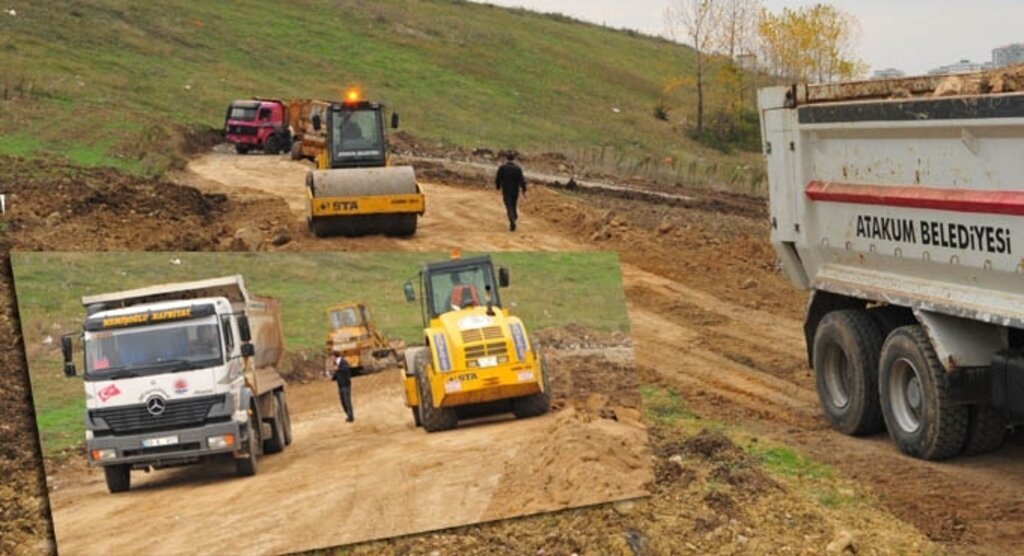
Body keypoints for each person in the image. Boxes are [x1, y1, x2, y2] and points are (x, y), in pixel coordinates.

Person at [495, 152, 527, 231]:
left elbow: (498, 178)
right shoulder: (518, 168)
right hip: (515, 190)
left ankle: (512, 218)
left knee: (508, 205)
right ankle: (514, 215)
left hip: (506, 190)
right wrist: (524, 190)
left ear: (506, 159)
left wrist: (498, 186)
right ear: (514, 159)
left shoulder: (503, 168)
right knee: (514, 204)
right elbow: (522, 180)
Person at [331, 350, 354, 422]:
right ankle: (348, 414)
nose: (331, 358)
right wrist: (333, 377)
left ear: (335, 356)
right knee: (343, 401)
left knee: (347, 401)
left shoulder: (343, 361)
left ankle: (350, 416)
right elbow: (336, 373)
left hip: (345, 384)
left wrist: (338, 369)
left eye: (332, 356)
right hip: (340, 384)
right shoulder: (335, 363)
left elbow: (346, 369)